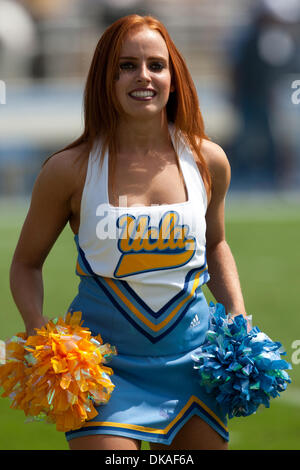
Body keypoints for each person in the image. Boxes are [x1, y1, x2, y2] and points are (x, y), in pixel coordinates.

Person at [10, 14, 249, 451]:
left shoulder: (208, 161)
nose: (144, 76)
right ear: (106, 77)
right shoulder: (68, 170)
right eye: (126, 66)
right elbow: (26, 263)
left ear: (173, 78)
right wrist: (39, 329)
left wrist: (236, 312)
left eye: (156, 65)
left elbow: (215, 244)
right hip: (105, 368)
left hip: (193, 363)